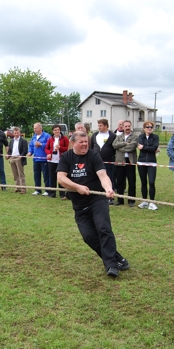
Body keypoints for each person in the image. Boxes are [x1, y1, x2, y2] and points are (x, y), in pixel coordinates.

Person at [57, 131, 130, 278]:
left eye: (86, 142)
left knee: (103, 229)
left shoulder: (93, 155)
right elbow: (61, 178)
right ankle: (118, 258)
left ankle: (111, 265)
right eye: (81, 142)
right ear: (73, 143)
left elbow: (103, 175)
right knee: (88, 236)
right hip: (79, 205)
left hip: (96, 200)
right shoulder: (67, 157)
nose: (85, 144)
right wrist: (77, 187)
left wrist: (108, 188)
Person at [112, 120, 138, 207]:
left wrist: (121, 147)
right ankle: (120, 200)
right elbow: (114, 145)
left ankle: (131, 200)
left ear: (131, 127)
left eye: (128, 126)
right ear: (122, 127)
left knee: (131, 181)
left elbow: (131, 147)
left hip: (130, 161)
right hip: (120, 161)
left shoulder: (135, 137)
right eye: (125, 126)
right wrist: (125, 143)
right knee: (119, 181)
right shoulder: (119, 137)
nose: (127, 128)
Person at [90, 119, 116, 204]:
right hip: (96, 161)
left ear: (105, 126)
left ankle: (110, 197)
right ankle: (96, 195)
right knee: (95, 178)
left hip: (109, 161)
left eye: (100, 125)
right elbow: (91, 147)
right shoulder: (95, 135)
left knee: (109, 178)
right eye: (98, 125)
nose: (99, 127)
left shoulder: (112, 135)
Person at [136, 121, 160, 210]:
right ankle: (145, 201)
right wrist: (150, 148)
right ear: (144, 128)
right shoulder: (141, 137)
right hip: (141, 162)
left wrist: (145, 147)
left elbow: (154, 147)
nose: (149, 128)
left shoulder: (155, 137)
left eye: (151, 127)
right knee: (143, 182)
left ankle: (152, 202)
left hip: (151, 162)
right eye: (147, 127)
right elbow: (140, 148)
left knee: (151, 182)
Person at [44, 124, 69, 198]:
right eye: (55, 130)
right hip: (52, 161)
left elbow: (67, 148)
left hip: (61, 161)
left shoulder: (64, 138)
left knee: (61, 177)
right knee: (52, 177)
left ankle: (62, 194)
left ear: (60, 130)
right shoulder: (50, 139)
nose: (57, 131)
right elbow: (47, 148)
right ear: (53, 131)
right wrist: (48, 153)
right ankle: (52, 193)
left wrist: (60, 147)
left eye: (58, 130)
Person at [27, 122, 51, 195]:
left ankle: (47, 190)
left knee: (46, 175)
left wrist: (41, 144)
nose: (34, 130)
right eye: (34, 128)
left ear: (40, 128)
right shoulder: (34, 137)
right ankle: (38, 190)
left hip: (44, 159)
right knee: (36, 175)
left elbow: (50, 145)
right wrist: (30, 152)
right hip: (36, 159)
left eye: (36, 128)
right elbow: (31, 145)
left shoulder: (47, 136)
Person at [6, 126, 28, 194]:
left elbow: (25, 151)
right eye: (15, 133)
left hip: (19, 158)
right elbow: (10, 150)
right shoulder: (11, 141)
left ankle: (23, 189)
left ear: (20, 133)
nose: (16, 134)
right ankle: (17, 187)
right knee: (15, 174)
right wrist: (8, 155)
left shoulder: (23, 141)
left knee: (21, 174)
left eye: (17, 133)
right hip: (12, 158)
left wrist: (21, 157)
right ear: (13, 133)